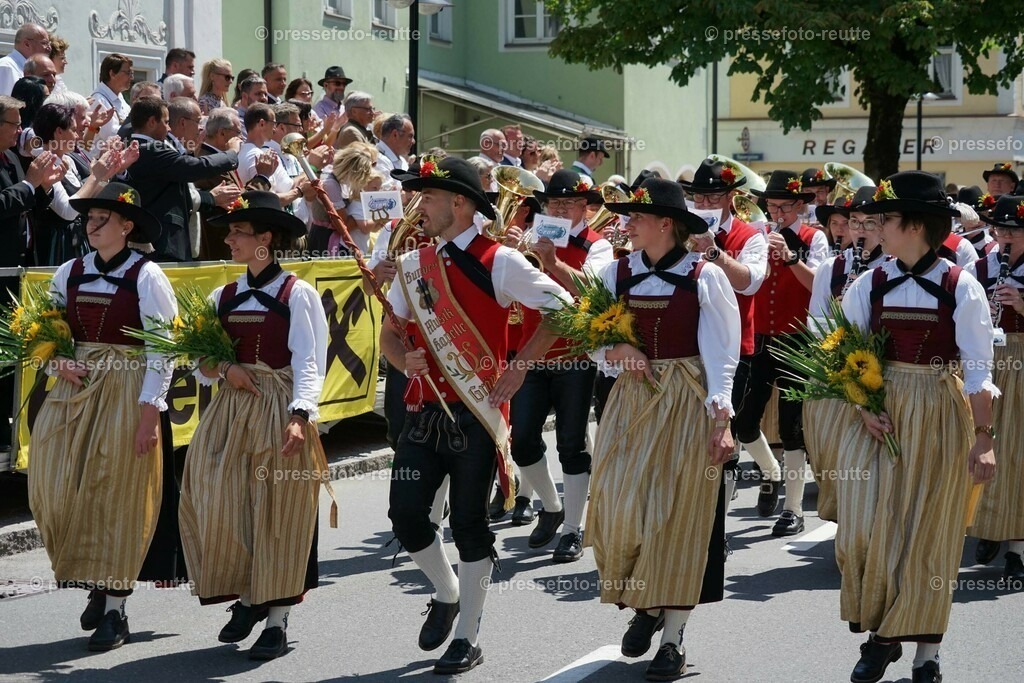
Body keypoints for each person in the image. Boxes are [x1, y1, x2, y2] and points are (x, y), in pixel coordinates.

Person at [382, 156, 570, 674]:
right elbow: (390, 335)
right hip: (424, 413)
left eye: (429, 197)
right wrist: (404, 359)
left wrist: (520, 367)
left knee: (469, 524)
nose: (418, 206)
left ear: (460, 203)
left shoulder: (501, 261)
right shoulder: (413, 263)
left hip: (477, 415)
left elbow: (563, 309)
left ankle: (467, 634)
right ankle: (447, 593)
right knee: (406, 516)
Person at [836, 171, 997, 683]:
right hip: (880, 415)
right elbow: (843, 352)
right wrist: (863, 406)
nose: (875, 227)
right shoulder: (870, 282)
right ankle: (882, 632)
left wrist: (983, 438)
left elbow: (979, 369)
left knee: (930, 533)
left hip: (938, 410)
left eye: (885, 219)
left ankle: (924, 654)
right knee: (865, 530)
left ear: (916, 226)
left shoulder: (960, 285)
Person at [589, 178, 738, 680]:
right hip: (631, 401)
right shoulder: (615, 272)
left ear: (665, 224)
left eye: (636, 216)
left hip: (687, 399)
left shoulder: (705, 276)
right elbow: (589, 339)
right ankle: (646, 602)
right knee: (620, 508)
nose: (627, 224)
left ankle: (672, 639)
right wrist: (618, 349)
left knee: (679, 519)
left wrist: (721, 421)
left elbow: (723, 354)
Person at [178, 191, 329, 661]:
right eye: (229, 232)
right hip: (231, 409)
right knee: (221, 500)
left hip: (279, 406)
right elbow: (199, 360)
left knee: (279, 512)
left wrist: (300, 415)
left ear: (265, 238)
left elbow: (309, 361)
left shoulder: (297, 294)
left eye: (238, 233)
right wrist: (226, 369)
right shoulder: (222, 296)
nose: (229, 240)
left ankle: (277, 620)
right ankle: (247, 595)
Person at [28, 182, 177, 651]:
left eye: (101, 219)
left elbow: (163, 350)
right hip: (74, 392)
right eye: (89, 218)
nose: (91, 225)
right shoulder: (70, 271)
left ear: (126, 226)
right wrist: (56, 361)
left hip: (126, 389)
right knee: (55, 487)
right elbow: (41, 331)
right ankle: (94, 580)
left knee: (117, 496)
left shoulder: (147, 276)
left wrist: (149, 414)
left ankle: (115, 608)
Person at [509, 169, 613, 563]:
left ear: (586, 208)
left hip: (576, 357)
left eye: (568, 203)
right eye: (553, 203)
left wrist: (552, 262)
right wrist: (509, 253)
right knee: (522, 442)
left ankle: (572, 528)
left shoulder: (598, 246)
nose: (559, 209)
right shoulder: (530, 239)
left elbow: (594, 292)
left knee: (571, 443)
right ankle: (551, 507)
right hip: (531, 354)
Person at [732, 170, 830, 536]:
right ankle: (770, 472)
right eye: (772, 206)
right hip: (759, 339)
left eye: (785, 207)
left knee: (791, 427)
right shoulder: (756, 235)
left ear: (800, 206)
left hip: (796, 341)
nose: (777, 213)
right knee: (744, 421)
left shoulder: (814, 238)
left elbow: (819, 285)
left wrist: (790, 258)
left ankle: (793, 509)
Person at [681, 158, 768, 514]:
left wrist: (712, 252)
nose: (703, 204)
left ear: (730, 197)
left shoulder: (751, 235)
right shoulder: (681, 228)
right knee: (690, 436)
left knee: (723, 434)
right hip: (686, 345)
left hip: (735, 350)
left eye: (712, 197)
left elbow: (750, 282)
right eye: (698, 198)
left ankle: (717, 524)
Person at [803, 186, 885, 523]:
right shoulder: (832, 267)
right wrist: (836, 327)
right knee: (829, 451)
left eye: (869, 223)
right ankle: (843, 516)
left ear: (884, 226)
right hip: (835, 370)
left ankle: (864, 521)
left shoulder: (891, 268)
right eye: (854, 222)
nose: (860, 230)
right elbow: (815, 318)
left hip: (876, 373)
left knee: (865, 454)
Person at [966, 194, 1024, 579]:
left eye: (1014, 230)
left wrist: (1020, 304)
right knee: (984, 443)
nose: (1005, 236)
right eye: (1001, 229)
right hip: (987, 359)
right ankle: (988, 525)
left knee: (1017, 450)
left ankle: (1017, 546)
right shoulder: (979, 267)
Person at [124, 97, 239, 262]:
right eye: (166, 122)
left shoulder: (137, 146)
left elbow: (173, 193)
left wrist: (210, 198)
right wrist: (232, 154)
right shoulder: (151, 149)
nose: (169, 128)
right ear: (151, 122)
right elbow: (194, 168)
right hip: (162, 243)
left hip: (160, 241)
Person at [90, 54, 133, 146]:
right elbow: (110, 136)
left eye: (131, 73)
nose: (131, 77)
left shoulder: (120, 97)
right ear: (112, 73)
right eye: (128, 73)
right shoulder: (98, 100)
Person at [0, 23, 49, 96]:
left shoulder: (29, 68)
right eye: (44, 43)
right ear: (27, 44)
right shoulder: (6, 67)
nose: (49, 48)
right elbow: (3, 102)